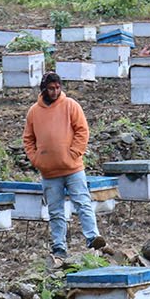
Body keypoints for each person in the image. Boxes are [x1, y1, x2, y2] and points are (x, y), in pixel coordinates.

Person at [22, 72, 104, 260]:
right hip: (49, 172)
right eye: (51, 88)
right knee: (55, 211)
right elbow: (28, 139)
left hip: (73, 169)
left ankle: (93, 238)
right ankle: (59, 246)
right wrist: (36, 160)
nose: (55, 91)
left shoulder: (71, 105)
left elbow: (82, 131)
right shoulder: (34, 112)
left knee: (83, 203)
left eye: (58, 87)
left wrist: (74, 153)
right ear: (44, 89)